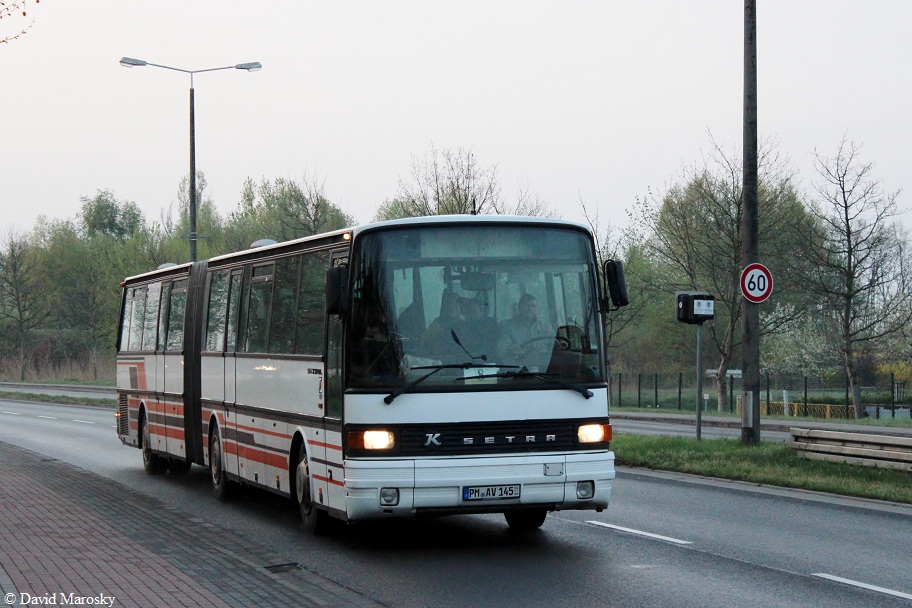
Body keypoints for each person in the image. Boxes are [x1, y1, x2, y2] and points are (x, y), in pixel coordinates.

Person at [497, 293, 553, 368]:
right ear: (519, 307)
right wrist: (510, 348)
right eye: (526, 305)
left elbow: (555, 345)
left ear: (536, 308)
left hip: (546, 369)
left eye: (533, 306)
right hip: (520, 369)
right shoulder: (508, 326)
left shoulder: (545, 326)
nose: (530, 309)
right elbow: (502, 347)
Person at [420, 290, 464, 360]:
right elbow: (424, 342)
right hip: (441, 361)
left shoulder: (465, 323)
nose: (451, 305)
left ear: (460, 306)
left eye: (455, 303)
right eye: (447, 303)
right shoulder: (438, 322)